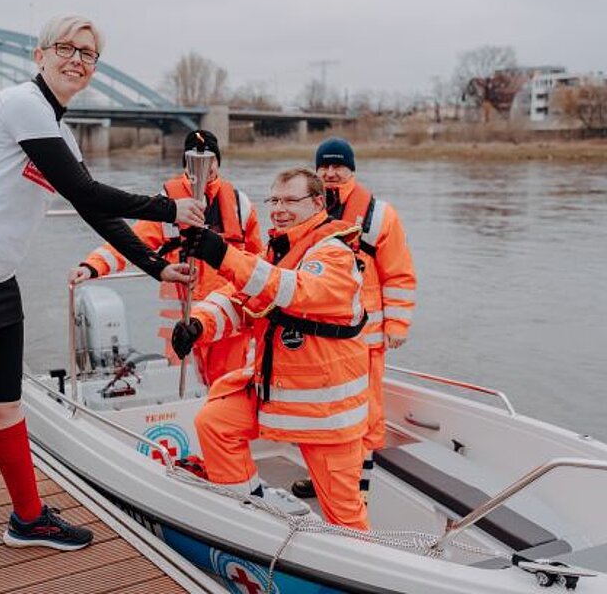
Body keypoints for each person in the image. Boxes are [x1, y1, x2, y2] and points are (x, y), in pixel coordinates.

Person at [0, 14, 205, 590]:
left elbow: (93, 211)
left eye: (90, 53)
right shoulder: (21, 105)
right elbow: (85, 190)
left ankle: (27, 519)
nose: (78, 59)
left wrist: (156, 265)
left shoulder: (57, 130)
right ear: (39, 55)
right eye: (67, 48)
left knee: (6, 406)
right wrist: (167, 208)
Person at [172, 168, 374, 529]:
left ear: (317, 203)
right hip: (280, 391)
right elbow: (242, 300)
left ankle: (367, 575)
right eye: (275, 200)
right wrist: (198, 324)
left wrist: (223, 255)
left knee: (345, 519)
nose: (279, 209)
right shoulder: (282, 248)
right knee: (216, 422)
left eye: (290, 200)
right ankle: (247, 514)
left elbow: (295, 290)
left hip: (327, 413)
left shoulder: (334, 253)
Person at [69, 129, 262, 384]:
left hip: (228, 321)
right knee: (183, 389)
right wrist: (92, 266)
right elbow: (131, 243)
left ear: (218, 162)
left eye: (211, 158)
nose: (207, 165)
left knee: (228, 389)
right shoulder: (167, 204)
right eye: (197, 158)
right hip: (183, 322)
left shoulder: (241, 204)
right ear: (185, 161)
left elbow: (259, 261)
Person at [290, 137, 416, 504]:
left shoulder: (379, 216)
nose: (330, 173)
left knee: (367, 413)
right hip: (318, 337)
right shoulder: (303, 208)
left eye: (337, 166)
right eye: (324, 166)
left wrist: (397, 325)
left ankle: (358, 489)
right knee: (317, 410)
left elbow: (400, 274)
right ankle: (320, 479)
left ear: (351, 169)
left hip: (365, 338)